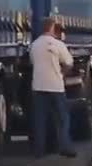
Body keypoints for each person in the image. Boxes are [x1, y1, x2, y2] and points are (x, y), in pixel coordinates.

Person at [30, 18, 77, 158]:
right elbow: (69, 62)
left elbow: (33, 62)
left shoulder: (34, 45)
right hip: (56, 86)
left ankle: (39, 150)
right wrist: (62, 73)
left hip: (38, 86)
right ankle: (65, 146)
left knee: (40, 119)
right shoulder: (58, 44)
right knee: (62, 118)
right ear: (52, 28)